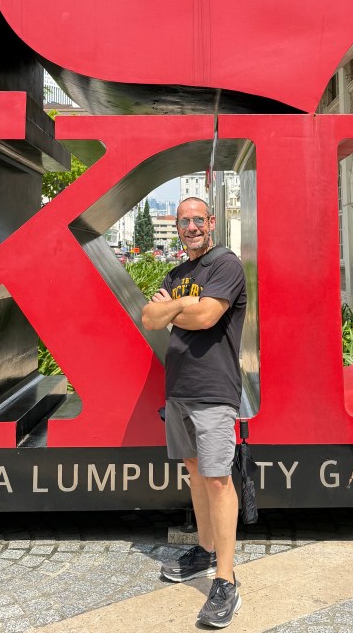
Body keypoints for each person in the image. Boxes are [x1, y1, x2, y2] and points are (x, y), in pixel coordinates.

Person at [142, 197, 247, 629]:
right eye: (183, 222)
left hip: (214, 389)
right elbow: (150, 317)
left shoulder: (226, 265)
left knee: (219, 479)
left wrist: (178, 307)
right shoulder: (177, 272)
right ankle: (204, 551)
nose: (190, 228)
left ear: (211, 222)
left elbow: (206, 316)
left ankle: (226, 581)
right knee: (196, 474)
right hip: (179, 390)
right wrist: (180, 306)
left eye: (197, 220)